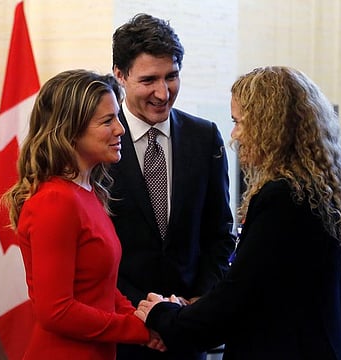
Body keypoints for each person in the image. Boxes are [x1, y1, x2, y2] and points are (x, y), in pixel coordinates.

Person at [135, 66, 341, 360]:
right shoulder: (314, 189)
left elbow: (240, 297)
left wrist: (162, 315)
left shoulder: (283, 197)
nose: (235, 135)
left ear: (268, 126)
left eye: (239, 122)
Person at [1, 69, 165, 360]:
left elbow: (101, 286)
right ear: (70, 131)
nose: (120, 129)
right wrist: (137, 329)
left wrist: (141, 318)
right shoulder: (55, 201)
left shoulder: (87, 192)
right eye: (107, 121)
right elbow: (56, 311)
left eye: (117, 116)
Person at [110, 13, 236, 360]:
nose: (163, 93)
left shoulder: (204, 136)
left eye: (172, 77)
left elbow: (220, 232)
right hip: (121, 332)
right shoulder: (97, 142)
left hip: (186, 329)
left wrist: (196, 302)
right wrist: (142, 313)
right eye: (149, 79)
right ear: (120, 75)